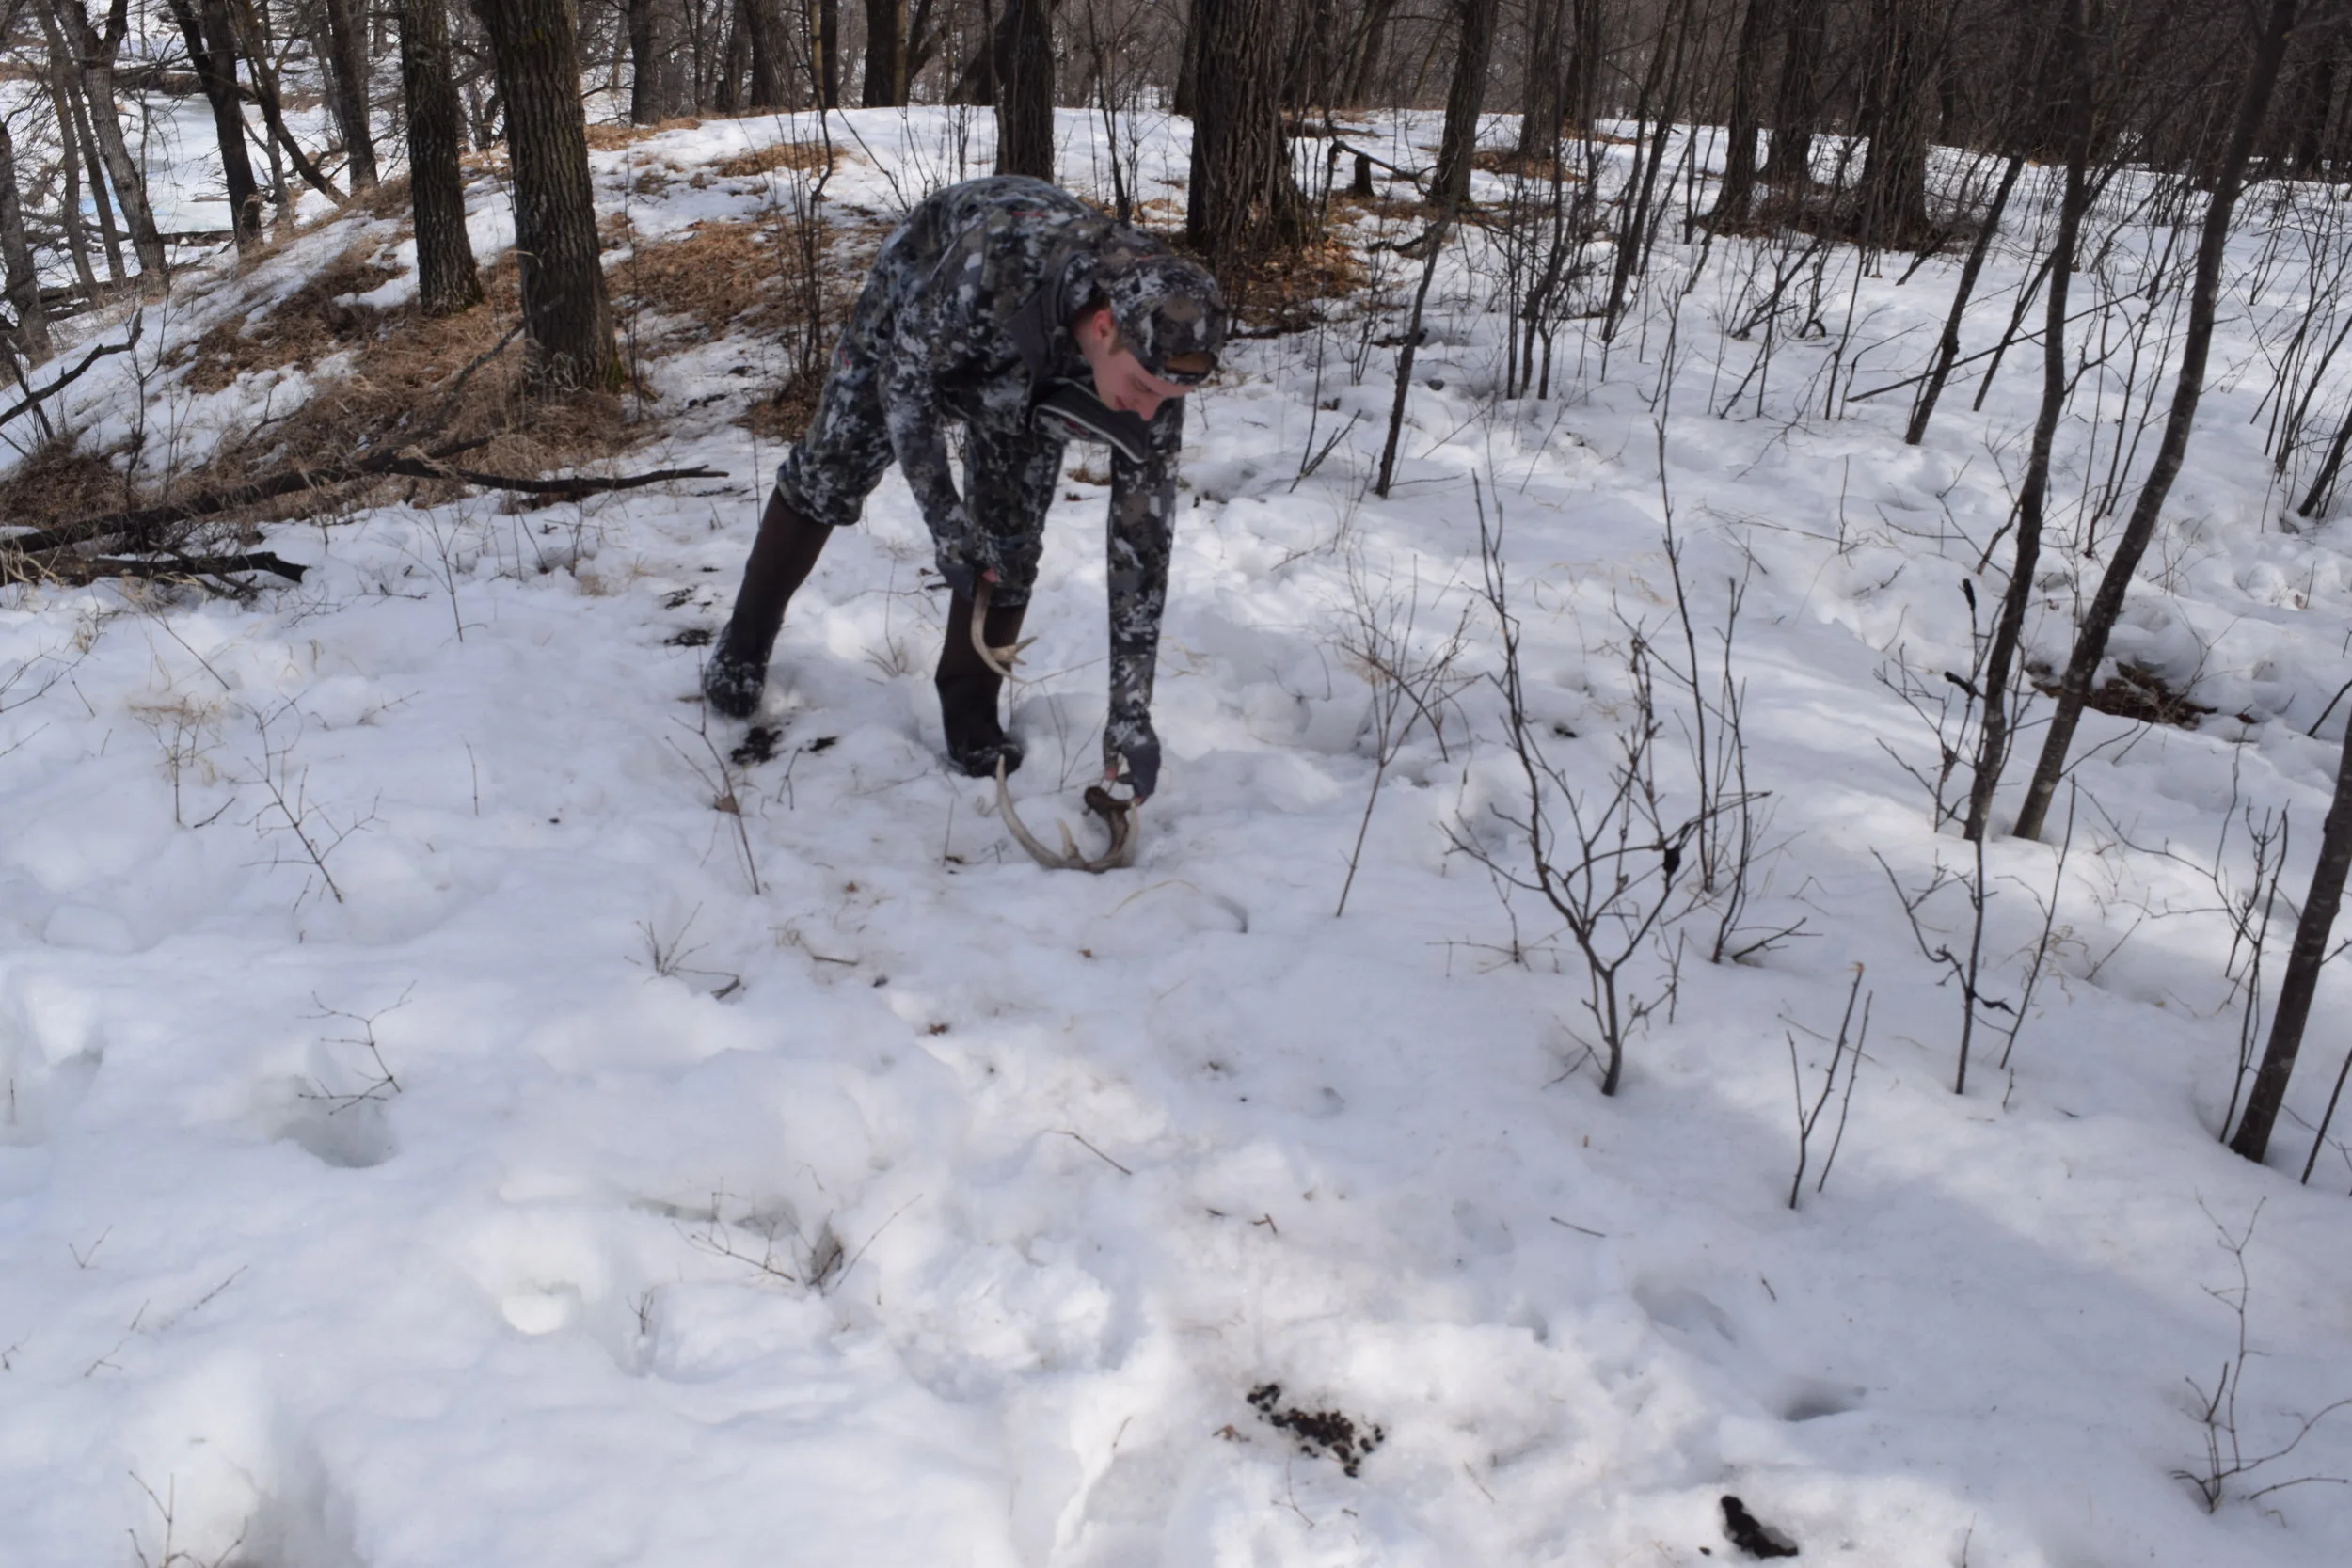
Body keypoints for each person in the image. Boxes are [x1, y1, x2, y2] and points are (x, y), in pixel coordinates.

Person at [703, 176, 1226, 807]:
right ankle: (745, 640)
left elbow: (1141, 546)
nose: (1148, 414)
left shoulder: (1162, 354)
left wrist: (1131, 712)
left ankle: (971, 710)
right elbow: (905, 385)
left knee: (1009, 541)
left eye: (1167, 401)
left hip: (1041, 378)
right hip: (925, 315)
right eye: (1143, 391)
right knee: (827, 472)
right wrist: (947, 523)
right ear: (1105, 325)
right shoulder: (996, 262)